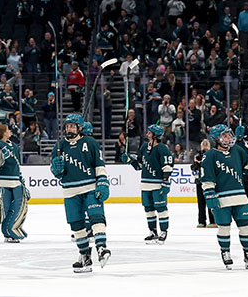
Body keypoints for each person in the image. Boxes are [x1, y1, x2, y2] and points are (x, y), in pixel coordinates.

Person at [50, 113, 110, 273]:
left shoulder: (90, 142)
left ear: (79, 128)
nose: (69, 128)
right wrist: (56, 170)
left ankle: (102, 248)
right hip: (70, 191)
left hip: (90, 187)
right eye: (67, 126)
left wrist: (102, 182)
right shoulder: (59, 146)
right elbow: (56, 171)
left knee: (96, 216)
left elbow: (99, 164)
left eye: (72, 126)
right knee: (76, 224)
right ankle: (85, 255)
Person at [201, 124, 248, 270]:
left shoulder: (237, 150)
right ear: (216, 139)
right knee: (224, 228)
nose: (228, 138)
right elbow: (207, 179)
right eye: (224, 136)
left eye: (229, 135)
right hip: (222, 198)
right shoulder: (210, 155)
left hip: (240, 197)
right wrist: (210, 195)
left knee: (245, 227)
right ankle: (225, 252)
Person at [121, 124, 173, 244]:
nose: (147, 134)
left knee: (161, 208)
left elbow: (167, 166)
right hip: (145, 184)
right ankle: (153, 231)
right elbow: (140, 165)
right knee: (148, 208)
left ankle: (164, 231)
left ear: (155, 135)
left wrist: (165, 182)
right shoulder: (145, 147)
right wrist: (130, 160)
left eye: (150, 133)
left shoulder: (162, 148)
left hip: (157, 184)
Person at [191, 139, 216, 228]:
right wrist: (196, 163)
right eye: (203, 144)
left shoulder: (213, 155)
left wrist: (201, 162)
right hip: (199, 181)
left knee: (210, 201)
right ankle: (201, 221)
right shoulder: (198, 155)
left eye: (206, 144)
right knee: (201, 203)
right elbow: (193, 168)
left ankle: (213, 220)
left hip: (210, 181)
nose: (205, 146)